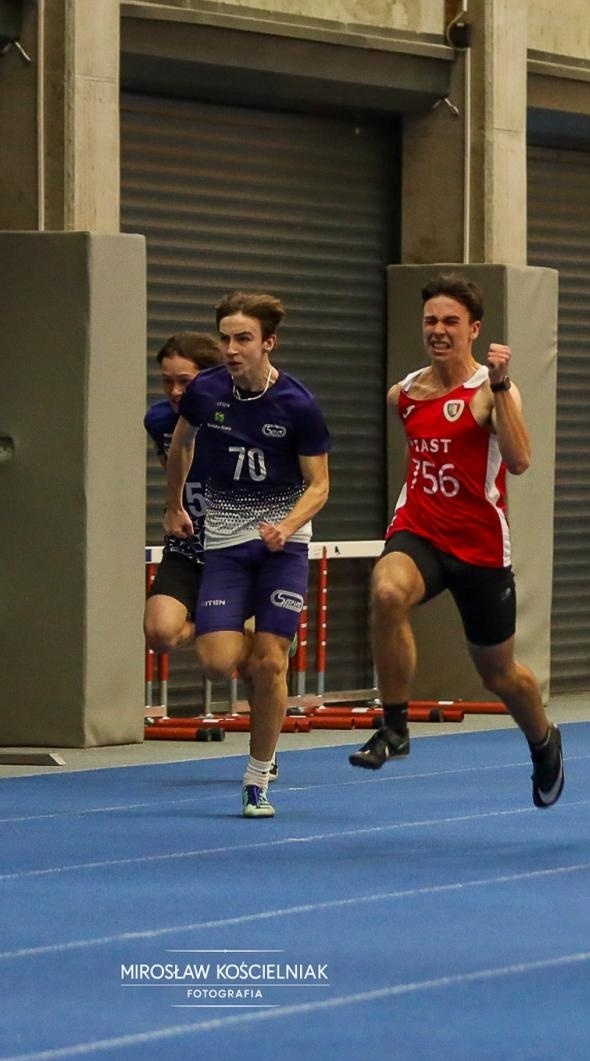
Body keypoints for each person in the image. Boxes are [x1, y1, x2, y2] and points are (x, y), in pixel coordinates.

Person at [348, 274, 564, 810]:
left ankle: (543, 741)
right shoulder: (405, 393)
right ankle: (394, 726)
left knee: (500, 674)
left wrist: (499, 385)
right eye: (430, 321)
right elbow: (415, 457)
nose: (439, 331)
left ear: (474, 329)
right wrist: (404, 511)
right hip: (421, 530)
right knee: (387, 591)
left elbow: (519, 461)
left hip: (480, 549)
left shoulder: (492, 392)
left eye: (450, 322)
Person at [164, 292, 331, 818]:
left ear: (267, 343)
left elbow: (320, 484)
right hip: (226, 545)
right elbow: (181, 445)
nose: (232, 350)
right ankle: (266, 642)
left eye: (243, 340)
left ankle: (258, 778)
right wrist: (173, 505)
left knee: (269, 662)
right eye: (226, 339)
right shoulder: (207, 391)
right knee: (217, 664)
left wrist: (287, 524)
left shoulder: (298, 405)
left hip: (283, 547)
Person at [144, 332, 226, 653]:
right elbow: (171, 468)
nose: (175, 391)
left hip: (232, 549)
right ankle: (221, 625)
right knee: (160, 630)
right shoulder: (159, 420)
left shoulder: (232, 418)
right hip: (187, 549)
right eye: (167, 382)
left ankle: (253, 631)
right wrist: (175, 506)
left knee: (228, 660)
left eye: (185, 381)